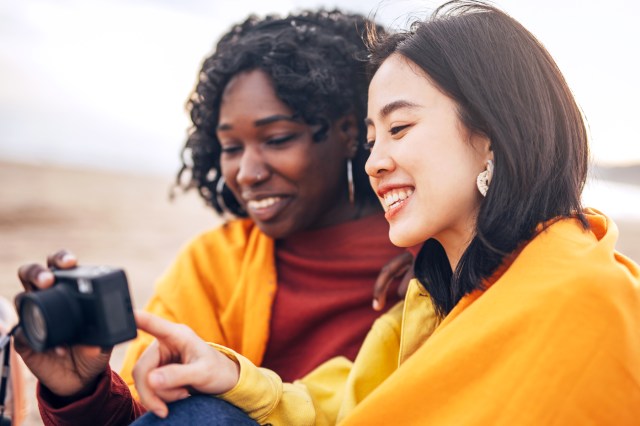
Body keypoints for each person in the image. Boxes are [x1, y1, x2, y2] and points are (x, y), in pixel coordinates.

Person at [128, 1, 640, 424]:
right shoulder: (430, 292)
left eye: (398, 129)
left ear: (491, 135)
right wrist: (231, 376)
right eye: (372, 141)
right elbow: (350, 405)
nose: (374, 163)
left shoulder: (585, 293)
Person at [13, 9, 412, 425]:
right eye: (230, 147)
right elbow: (153, 415)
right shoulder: (213, 263)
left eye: (276, 139)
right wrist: (81, 390)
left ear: (350, 132)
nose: (247, 172)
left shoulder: (439, 251)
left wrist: (439, 271)